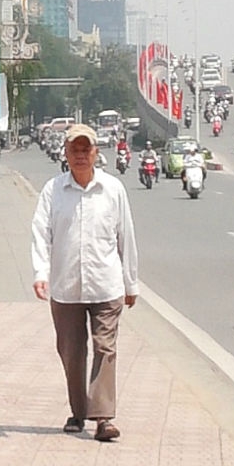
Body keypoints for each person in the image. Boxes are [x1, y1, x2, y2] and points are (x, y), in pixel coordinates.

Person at [32, 123, 139, 443]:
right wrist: (41, 272)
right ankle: (79, 412)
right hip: (66, 287)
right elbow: (41, 233)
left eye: (86, 149)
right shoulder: (53, 191)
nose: (80, 155)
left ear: (96, 153)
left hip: (106, 284)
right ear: (66, 153)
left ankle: (103, 417)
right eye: (74, 149)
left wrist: (131, 283)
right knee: (71, 351)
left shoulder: (113, 189)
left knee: (105, 348)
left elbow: (126, 237)